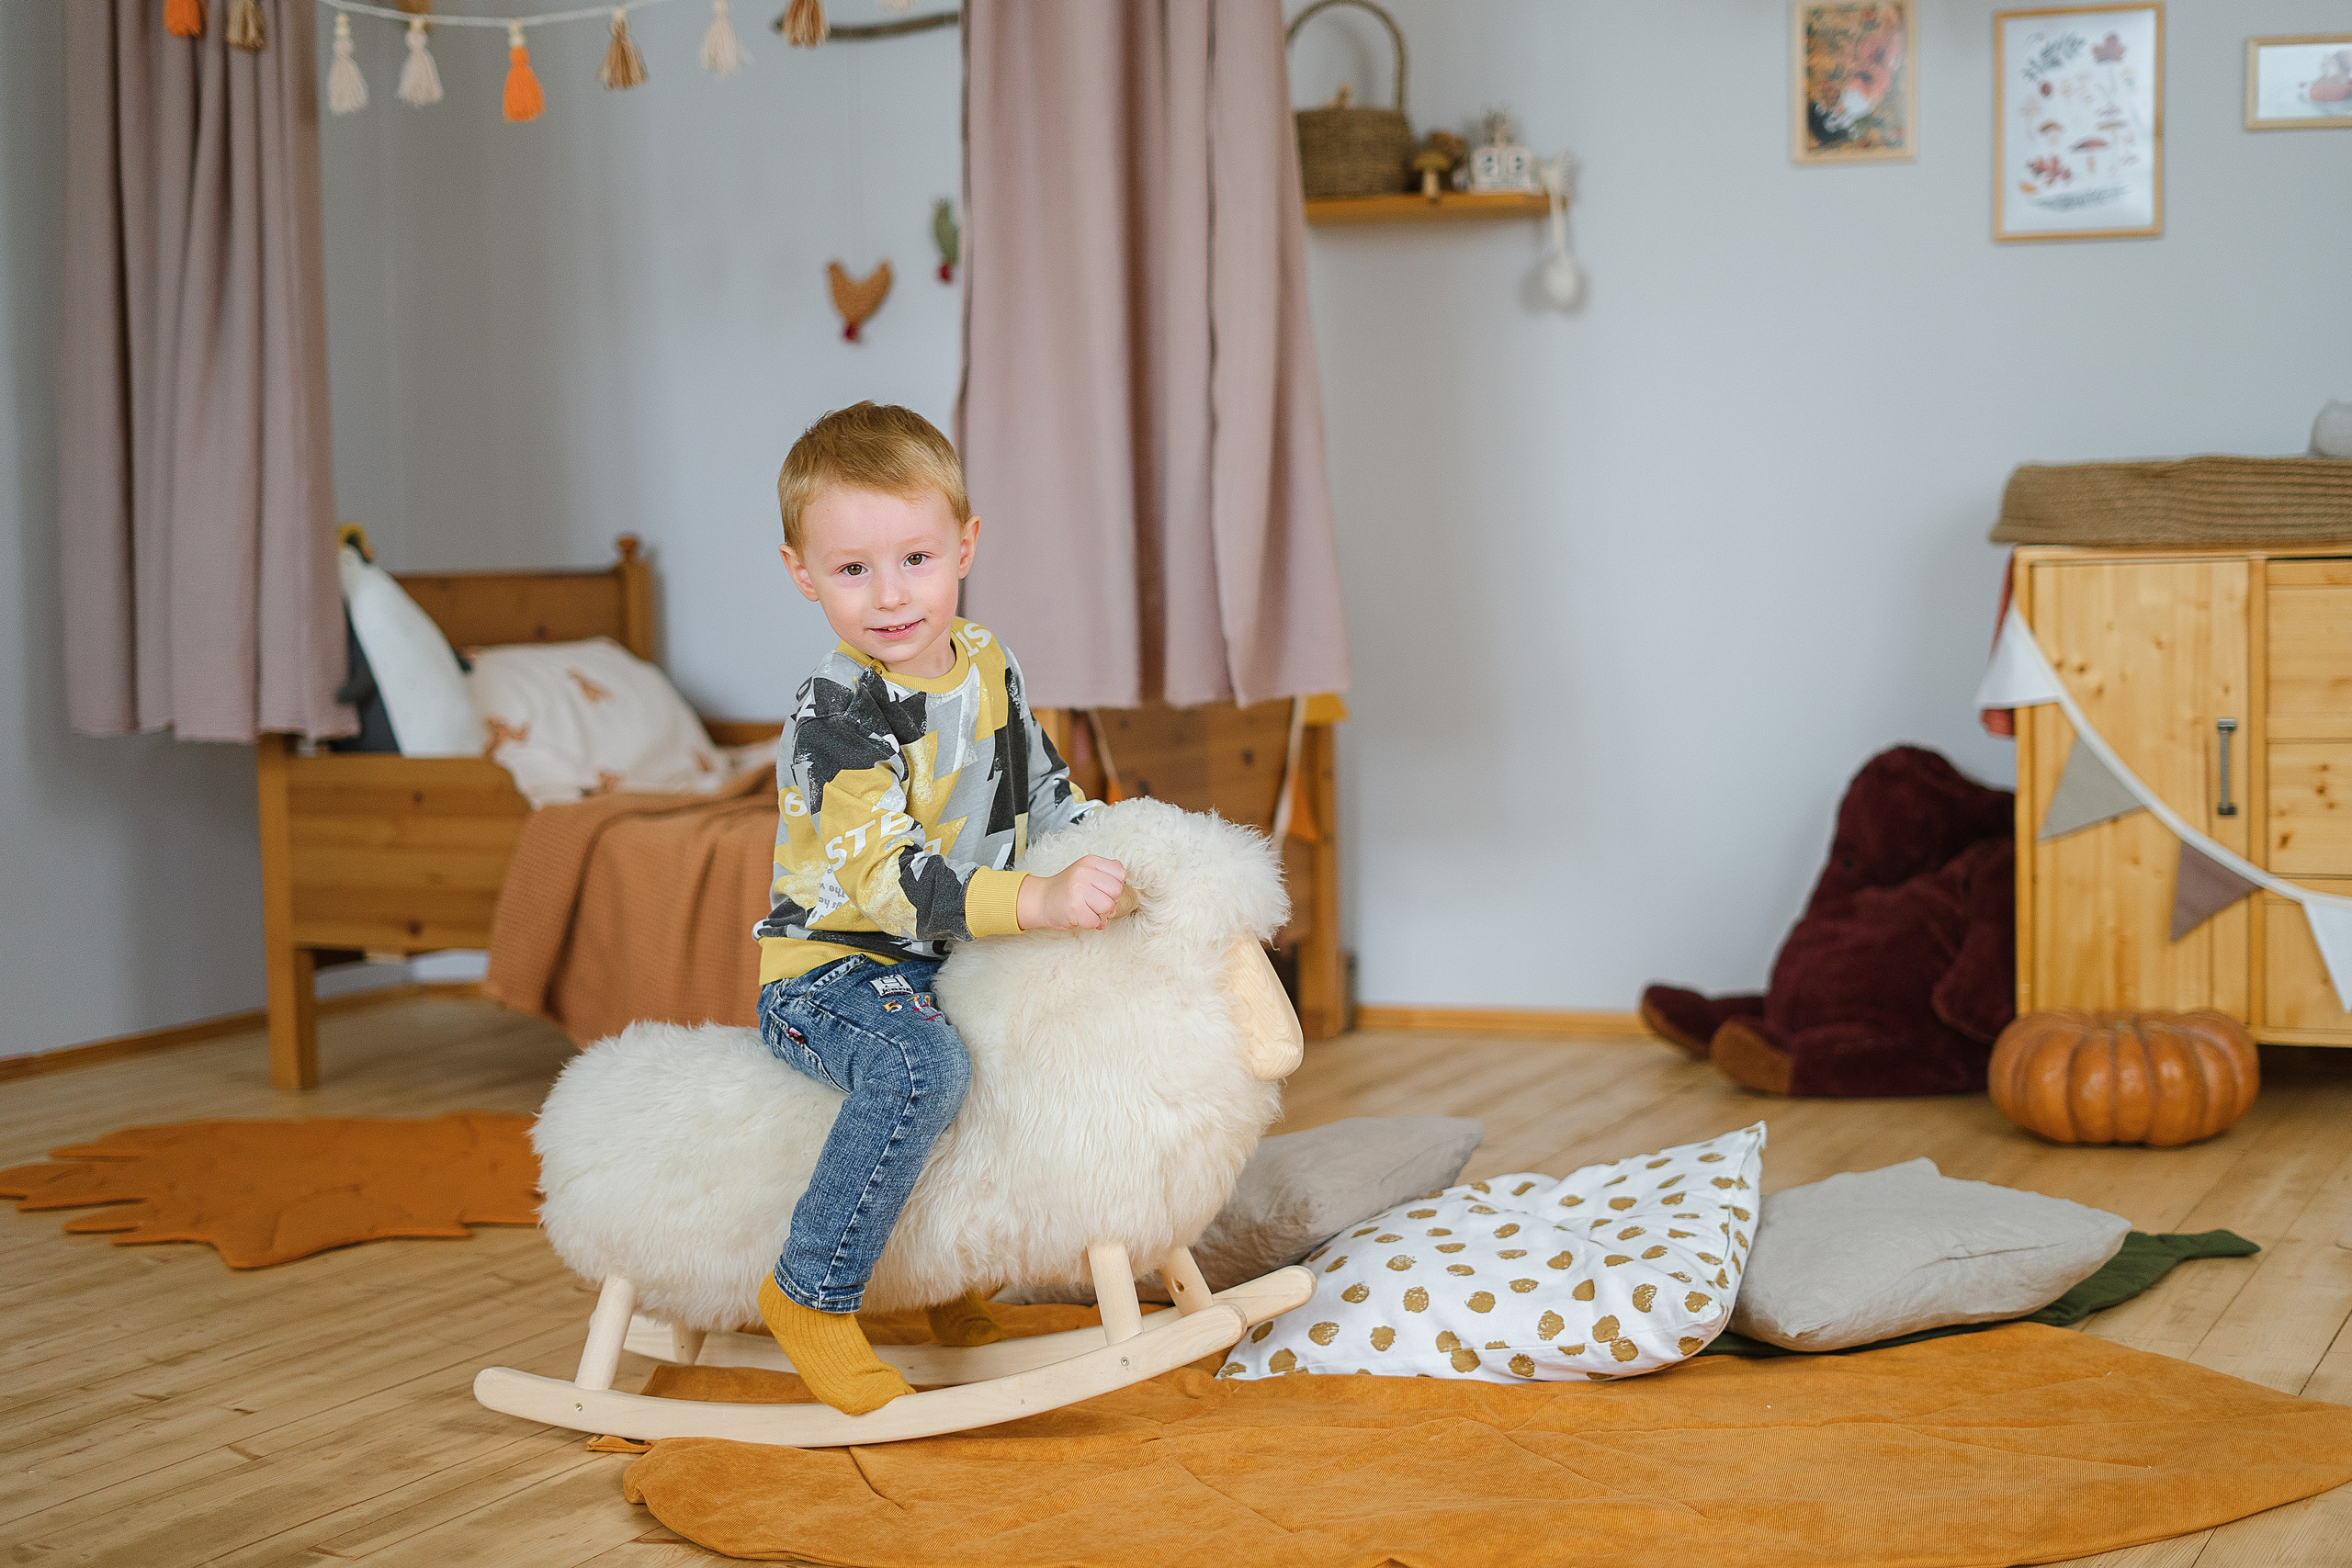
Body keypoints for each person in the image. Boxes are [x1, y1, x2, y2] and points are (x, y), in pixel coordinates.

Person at [753, 401, 1126, 1414]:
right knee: (923, 1063)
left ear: (964, 545)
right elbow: (889, 885)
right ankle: (811, 1295)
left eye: (915, 558)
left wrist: (1111, 856)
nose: (889, 596)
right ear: (802, 573)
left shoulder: (990, 662)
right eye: (851, 570)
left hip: (941, 959)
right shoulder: (835, 713)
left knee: (1013, 1053)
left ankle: (947, 1275)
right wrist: (1039, 898)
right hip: (833, 970)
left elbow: (1043, 794)